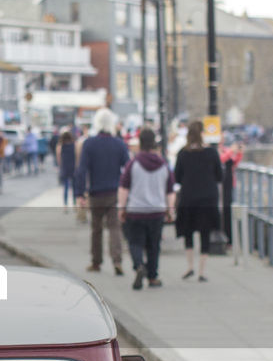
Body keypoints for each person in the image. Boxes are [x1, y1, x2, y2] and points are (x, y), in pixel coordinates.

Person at [74, 108, 130, 273]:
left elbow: (82, 169)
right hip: (114, 192)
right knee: (115, 228)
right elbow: (127, 169)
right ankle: (117, 260)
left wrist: (80, 193)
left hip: (96, 192)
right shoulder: (119, 144)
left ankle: (96, 261)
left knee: (96, 229)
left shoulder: (89, 143)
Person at [118, 128, 176, 289]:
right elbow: (170, 190)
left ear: (140, 143)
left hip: (136, 211)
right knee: (153, 245)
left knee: (135, 242)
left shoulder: (133, 164)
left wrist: (122, 209)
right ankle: (152, 277)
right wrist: (170, 209)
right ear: (154, 144)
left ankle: (138, 266)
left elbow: (124, 188)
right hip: (156, 212)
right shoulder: (164, 165)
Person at [174, 119, 223, 282]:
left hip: (188, 198)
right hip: (207, 198)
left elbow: (177, 177)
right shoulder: (211, 153)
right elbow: (219, 176)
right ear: (202, 134)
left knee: (188, 232)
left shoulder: (182, 153)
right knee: (205, 233)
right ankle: (202, 271)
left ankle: (190, 266)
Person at [57, 128, 76, 209]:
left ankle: (65, 204)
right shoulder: (74, 145)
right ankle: (75, 204)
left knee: (66, 187)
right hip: (73, 167)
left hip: (64, 168)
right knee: (74, 186)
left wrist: (60, 166)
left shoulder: (60, 146)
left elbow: (58, 158)